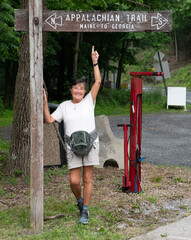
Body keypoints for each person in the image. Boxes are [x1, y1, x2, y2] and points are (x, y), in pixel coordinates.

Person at [43, 46, 101, 224]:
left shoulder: (89, 101)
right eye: (76, 88)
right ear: (71, 90)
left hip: (90, 143)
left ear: (84, 91)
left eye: (82, 88)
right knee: (75, 181)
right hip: (72, 147)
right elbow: (49, 120)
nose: (79, 91)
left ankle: (85, 211)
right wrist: (45, 103)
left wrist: (95, 62)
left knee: (87, 178)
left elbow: (97, 82)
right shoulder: (64, 106)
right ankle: (79, 201)